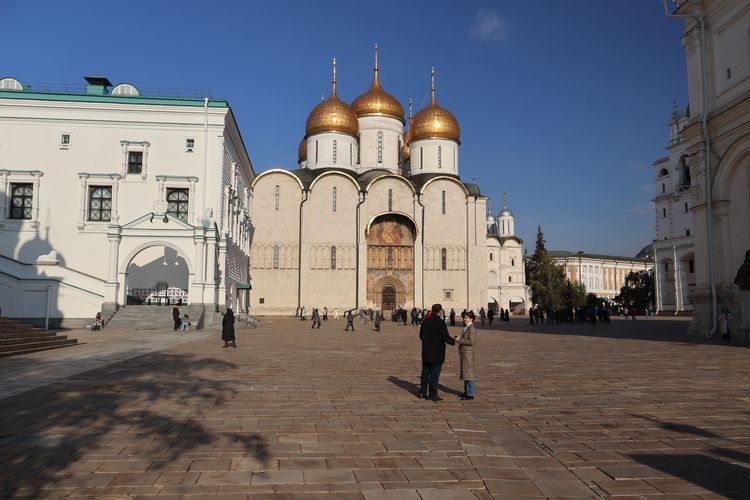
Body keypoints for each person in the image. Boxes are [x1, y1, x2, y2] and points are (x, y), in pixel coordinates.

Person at [419, 304, 456, 401]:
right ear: (439, 311)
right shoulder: (440, 322)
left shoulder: (425, 321)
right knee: (434, 374)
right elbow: (446, 337)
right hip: (437, 353)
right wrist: (453, 341)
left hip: (426, 352)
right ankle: (432, 394)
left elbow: (421, 336)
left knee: (425, 373)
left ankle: (422, 393)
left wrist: (427, 343)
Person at [455, 310, 477, 400]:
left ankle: (471, 393)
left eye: (466, 318)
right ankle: (466, 391)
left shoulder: (472, 328)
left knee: (469, 373)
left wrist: (459, 340)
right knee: (465, 372)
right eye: (464, 318)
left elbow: (471, 341)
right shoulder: (466, 327)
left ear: (471, 319)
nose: (464, 319)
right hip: (465, 353)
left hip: (468, 353)